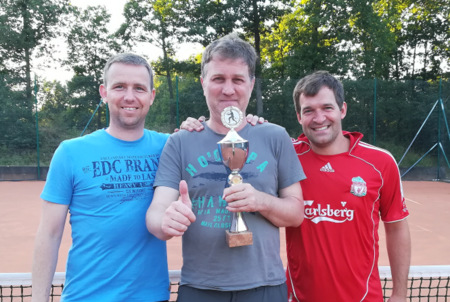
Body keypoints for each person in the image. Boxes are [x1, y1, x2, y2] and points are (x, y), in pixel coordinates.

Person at [146, 33, 305, 302]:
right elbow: (156, 213)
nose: (228, 89)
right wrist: (166, 221)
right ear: (203, 83)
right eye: (218, 78)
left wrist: (261, 200)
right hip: (200, 288)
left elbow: (296, 213)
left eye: (238, 80)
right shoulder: (180, 141)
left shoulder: (275, 136)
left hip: (265, 287)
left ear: (251, 84)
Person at [32, 53, 172, 302]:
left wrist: (250, 125)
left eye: (139, 88)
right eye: (119, 86)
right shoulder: (70, 152)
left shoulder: (170, 147)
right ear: (104, 92)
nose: (129, 96)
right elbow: (49, 234)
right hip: (86, 297)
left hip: (152, 297)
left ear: (151, 96)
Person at [286, 71, 411, 302]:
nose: (319, 118)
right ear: (299, 116)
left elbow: (396, 227)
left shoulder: (381, 162)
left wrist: (399, 294)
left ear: (342, 109)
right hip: (298, 297)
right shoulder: (286, 157)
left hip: (364, 297)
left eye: (327, 108)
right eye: (309, 111)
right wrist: (198, 125)